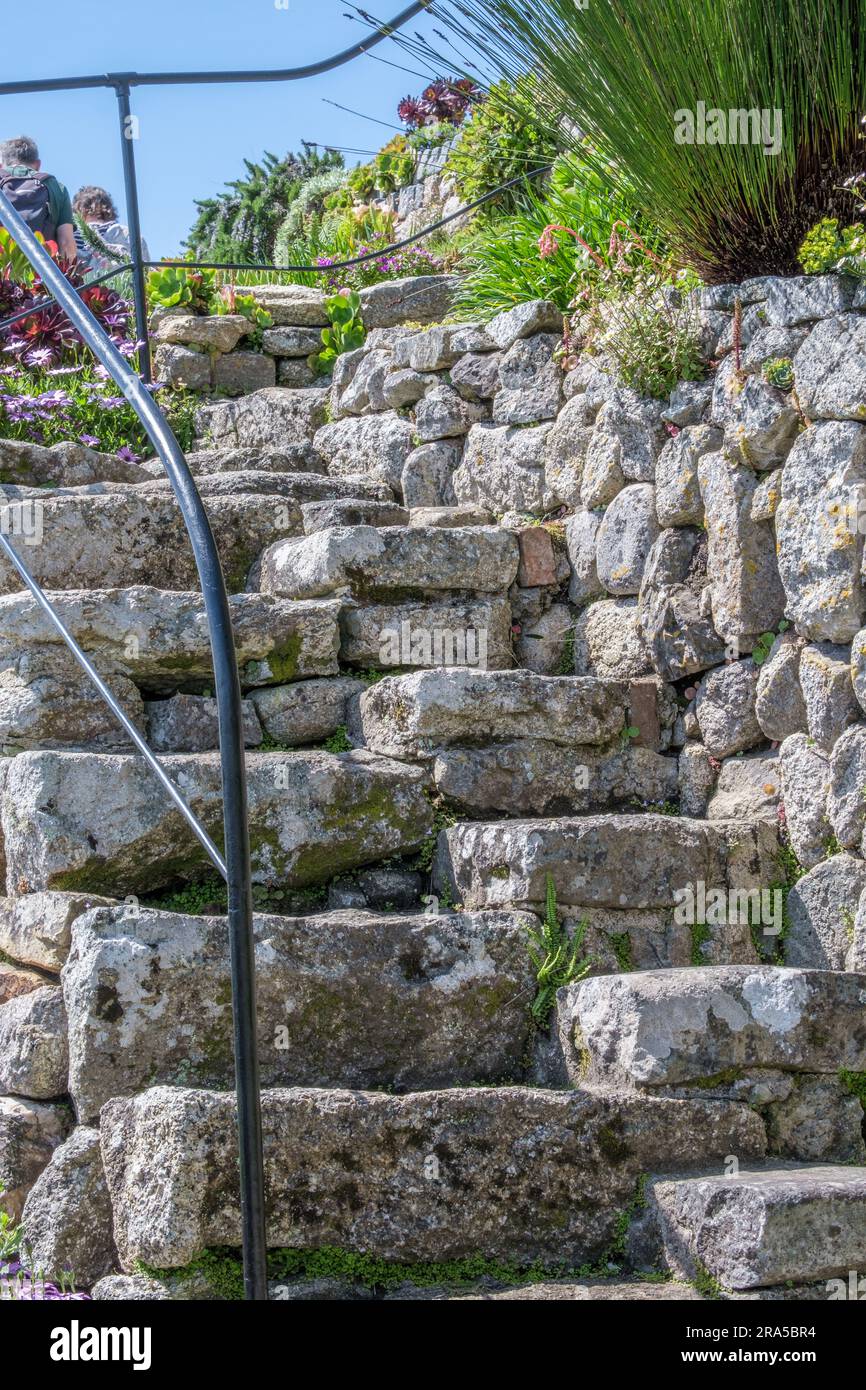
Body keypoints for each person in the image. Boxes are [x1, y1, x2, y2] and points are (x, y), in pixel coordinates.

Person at [0, 135, 77, 262]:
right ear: (38, 164)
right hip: (40, 276)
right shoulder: (56, 187)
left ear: (1, 165)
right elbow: (66, 243)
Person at [72, 185, 149, 271]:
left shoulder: (70, 237)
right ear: (108, 208)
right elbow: (146, 271)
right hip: (124, 276)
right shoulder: (126, 233)